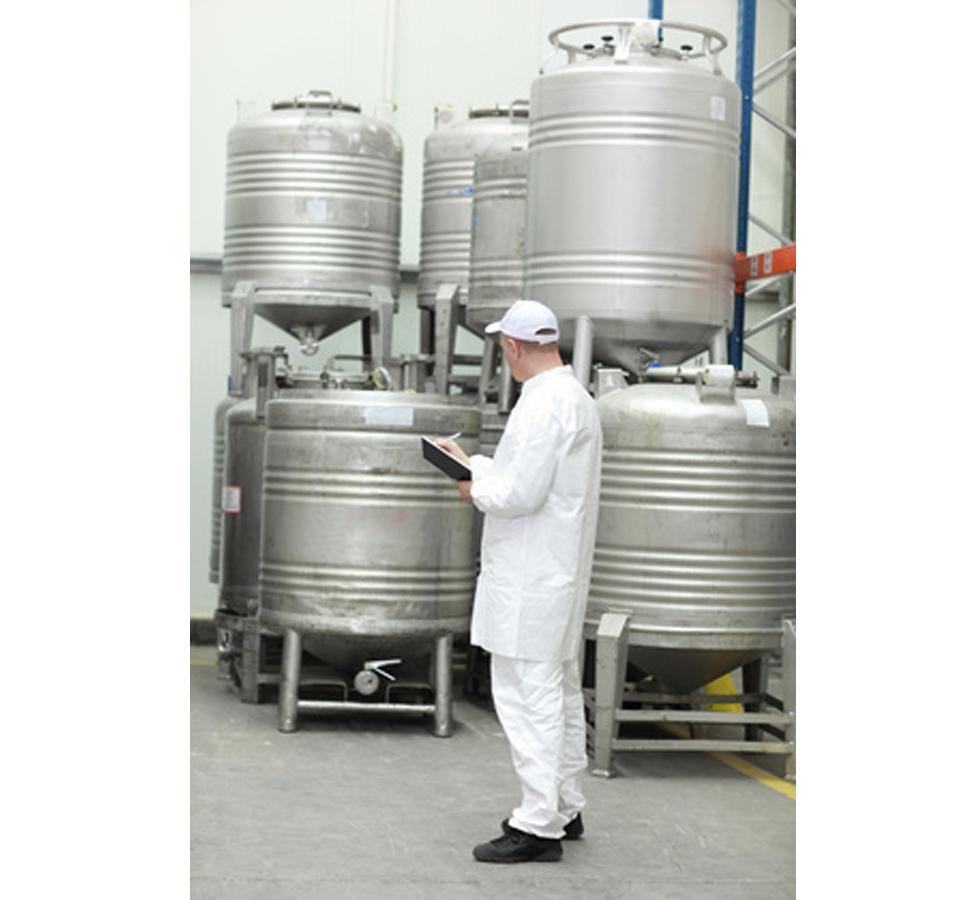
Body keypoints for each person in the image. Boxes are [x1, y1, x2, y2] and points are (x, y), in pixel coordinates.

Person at [438, 299, 603, 864]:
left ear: (511, 346)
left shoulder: (542, 406)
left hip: (531, 581)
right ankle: (564, 803)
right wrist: (481, 466)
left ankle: (537, 826)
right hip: (554, 574)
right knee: (555, 691)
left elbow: (519, 494)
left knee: (528, 697)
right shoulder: (573, 398)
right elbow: (536, 482)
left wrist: (472, 487)